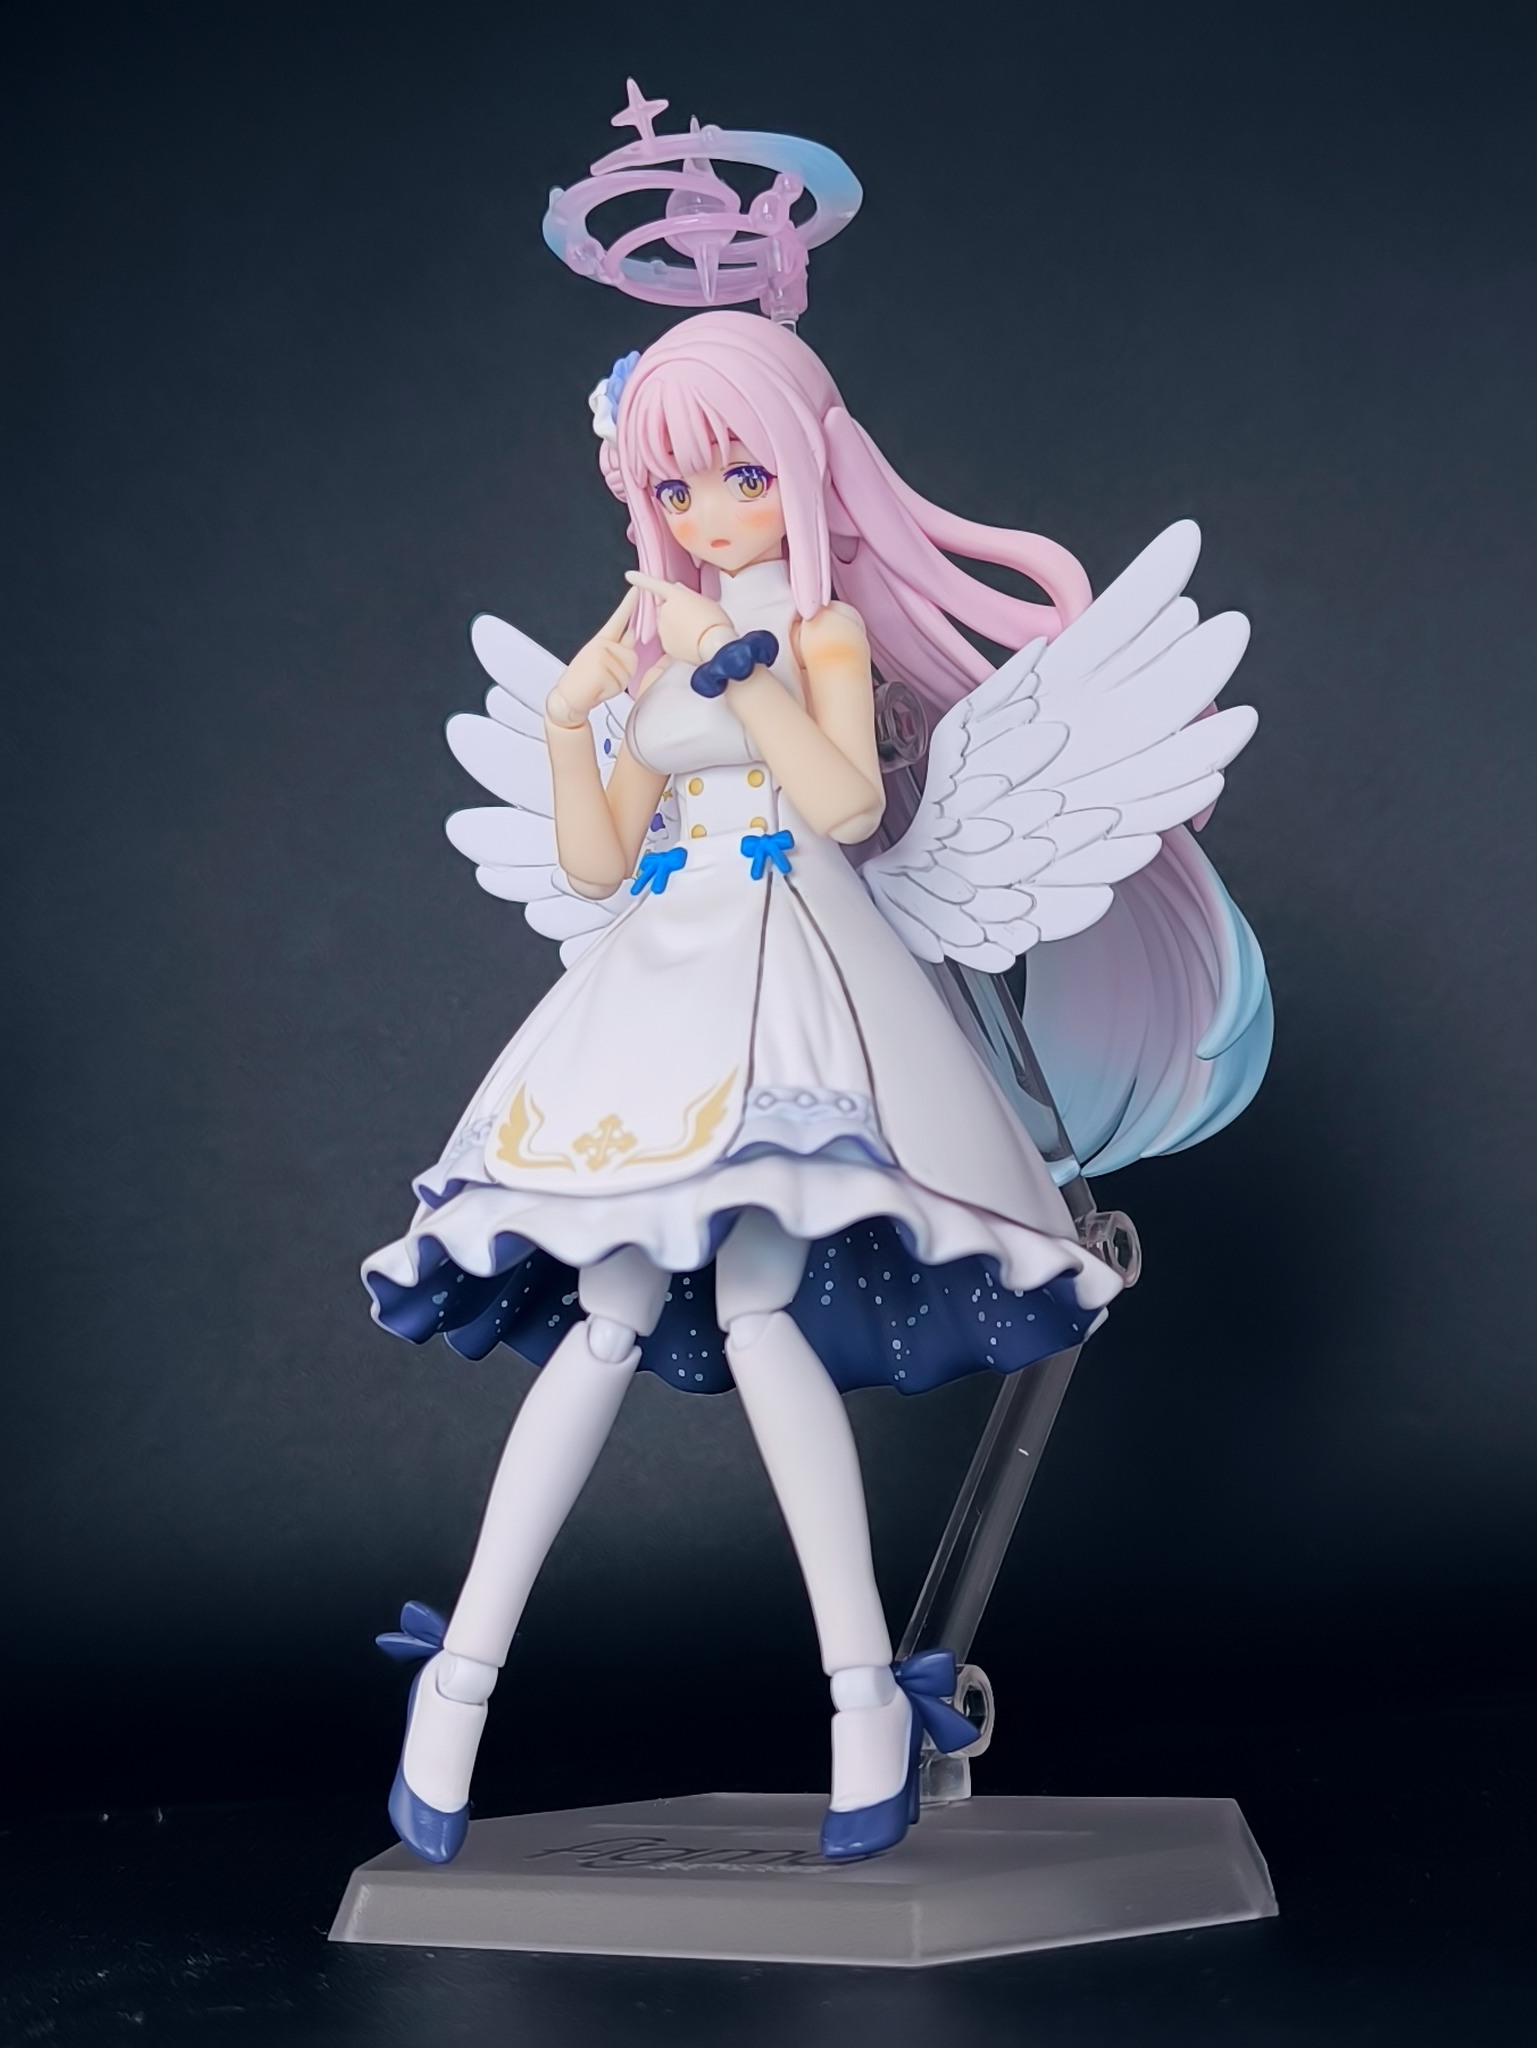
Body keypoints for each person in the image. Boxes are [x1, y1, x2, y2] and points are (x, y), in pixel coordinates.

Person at [364, 310, 1262, 1866]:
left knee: (759, 1306)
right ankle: (455, 1685)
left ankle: (863, 1698)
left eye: (741, 476)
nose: (713, 514)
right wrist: (575, 718)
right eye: (678, 488)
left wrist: (751, 678)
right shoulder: (649, 646)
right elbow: (598, 858)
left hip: (790, 971)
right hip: (658, 982)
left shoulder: (825, 632)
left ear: (802, 465)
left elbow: (845, 804)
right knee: (607, 1312)